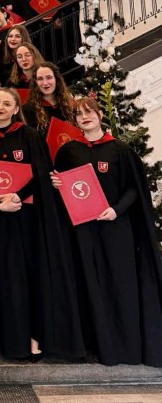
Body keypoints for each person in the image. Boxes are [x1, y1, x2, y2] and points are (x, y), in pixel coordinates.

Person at [52, 97, 162, 367]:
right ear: (75, 121)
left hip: (115, 228)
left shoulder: (120, 151)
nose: (85, 117)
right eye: (79, 114)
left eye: (89, 112)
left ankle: (125, 347)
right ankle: (95, 346)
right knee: (88, 283)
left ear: (100, 115)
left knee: (118, 284)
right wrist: (57, 183)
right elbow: (63, 187)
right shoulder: (69, 152)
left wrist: (116, 210)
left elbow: (134, 189)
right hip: (83, 230)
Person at [0, 88, 84, 361]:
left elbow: (42, 172)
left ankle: (37, 336)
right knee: (10, 280)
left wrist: (18, 196)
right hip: (1, 222)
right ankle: (15, 340)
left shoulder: (29, 135)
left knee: (33, 276)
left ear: (16, 109)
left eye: (7, 103)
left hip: (29, 219)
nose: (0, 107)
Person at [28, 0, 80, 74]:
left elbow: (73, 3)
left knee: (68, 60)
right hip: (46, 31)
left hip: (64, 30)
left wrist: (61, 19)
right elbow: (32, 9)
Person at [23, 62, 75, 133]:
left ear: (56, 79)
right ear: (36, 82)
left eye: (49, 77)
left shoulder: (69, 104)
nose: (45, 83)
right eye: (40, 79)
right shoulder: (28, 110)